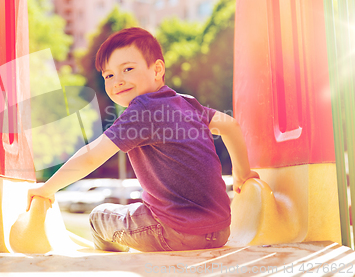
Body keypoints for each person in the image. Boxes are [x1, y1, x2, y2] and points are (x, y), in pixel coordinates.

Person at [26, 27, 259, 252]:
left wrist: (47, 189)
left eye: (127, 69)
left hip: (175, 231)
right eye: (109, 75)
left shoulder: (143, 109)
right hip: (220, 231)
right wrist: (243, 172)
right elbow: (230, 125)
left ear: (157, 70)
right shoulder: (187, 103)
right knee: (137, 211)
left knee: (100, 218)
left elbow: (92, 156)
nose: (117, 80)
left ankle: (116, 265)